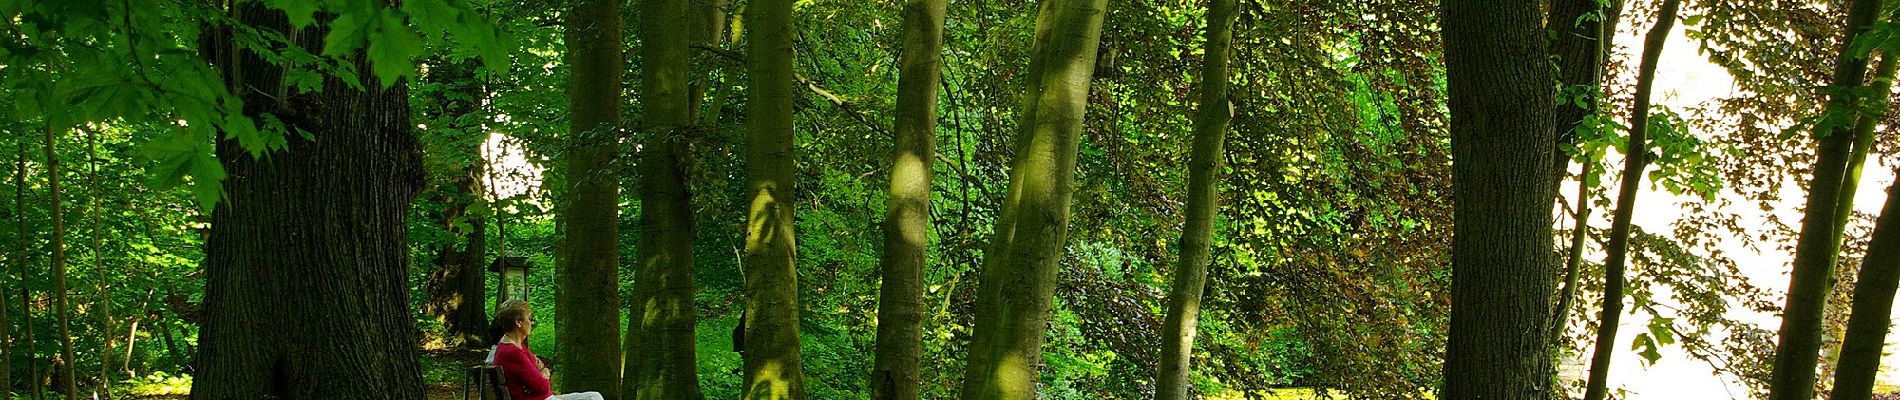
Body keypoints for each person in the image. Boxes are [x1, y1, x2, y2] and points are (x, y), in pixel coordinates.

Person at [488, 299, 603, 400]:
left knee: (594, 396)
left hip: (542, 397)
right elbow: (542, 387)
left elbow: (542, 368)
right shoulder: (513, 352)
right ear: (518, 322)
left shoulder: (515, 345)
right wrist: (542, 375)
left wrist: (542, 373)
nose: (532, 322)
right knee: (594, 398)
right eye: (530, 318)